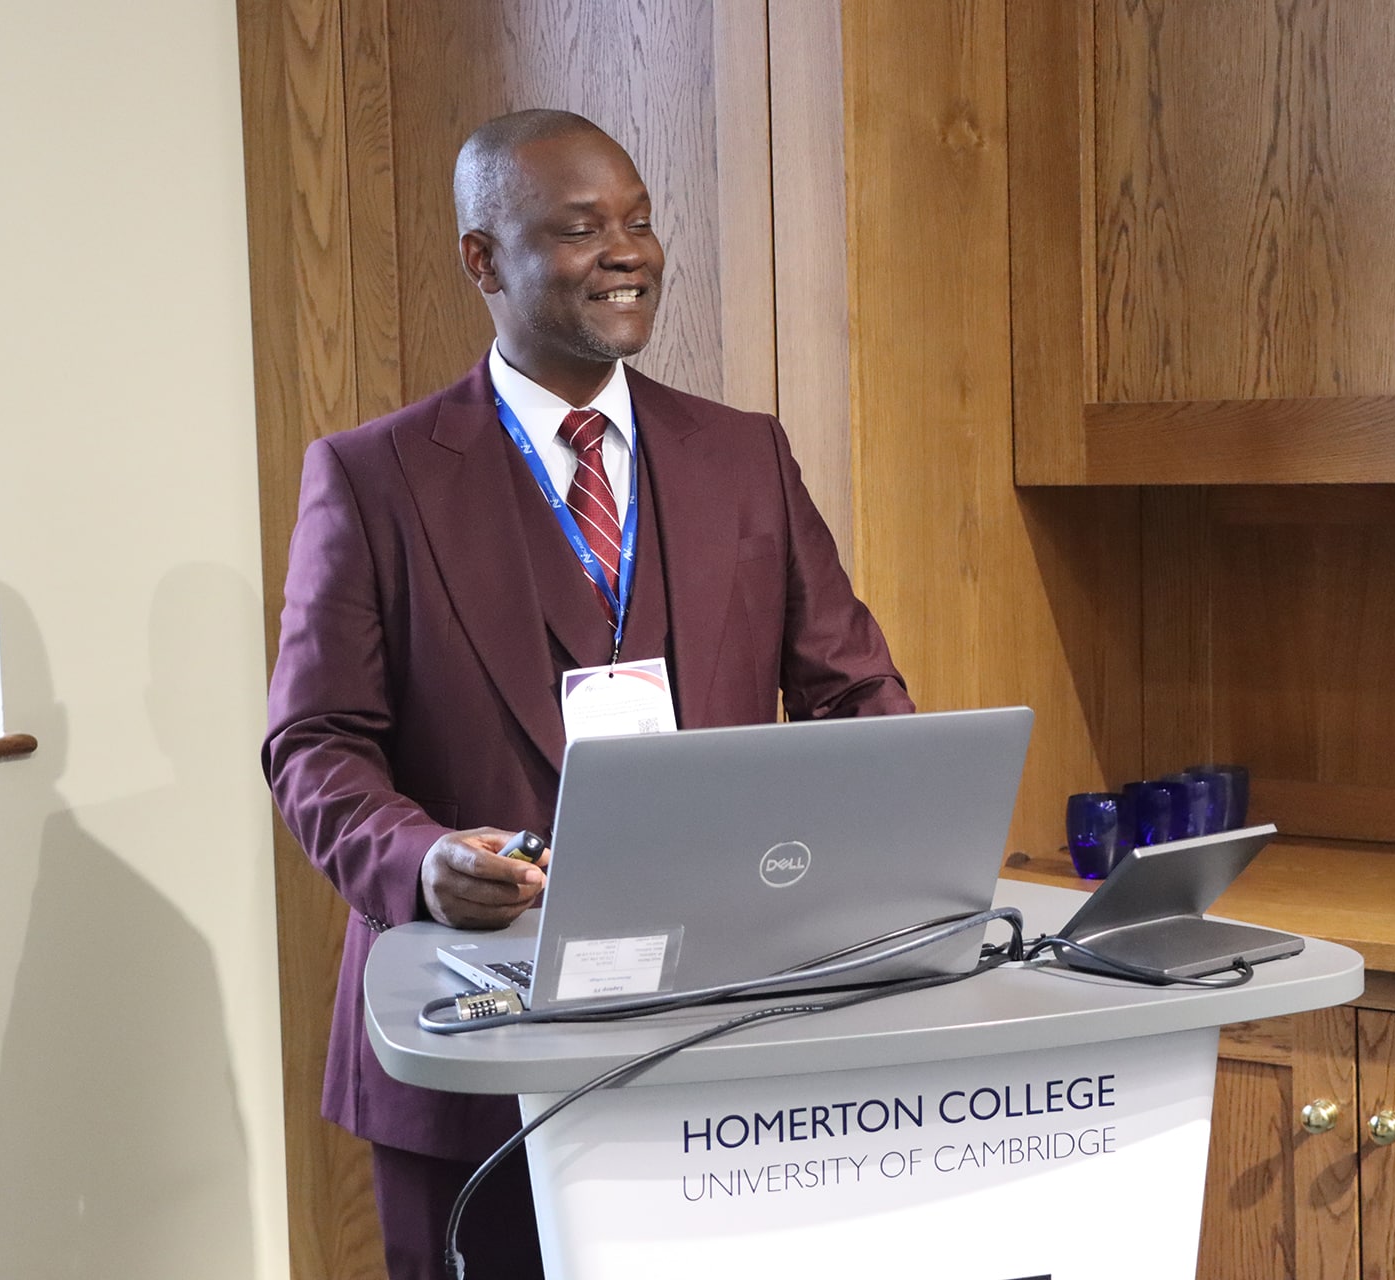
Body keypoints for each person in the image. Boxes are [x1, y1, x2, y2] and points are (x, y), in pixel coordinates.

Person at [263, 108, 913, 1280]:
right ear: (482, 259)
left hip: (721, 1039)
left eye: (640, 222)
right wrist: (419, 860)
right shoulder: (371, 477)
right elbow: (315, 742)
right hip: (476, 1053)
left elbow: (856, 691)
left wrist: (900, 839)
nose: (627, 252)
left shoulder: (745, 455)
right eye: (579, 229)